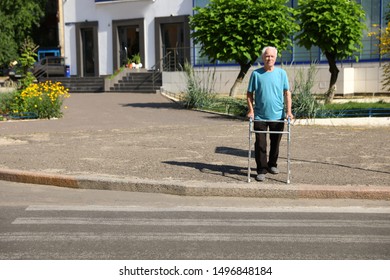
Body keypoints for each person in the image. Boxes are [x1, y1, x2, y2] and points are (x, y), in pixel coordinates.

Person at [246, 46, 294, 182]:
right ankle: (261, 169)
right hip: (260, 116)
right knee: (260, 144)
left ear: (276, 58)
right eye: (267, 56)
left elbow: (287, 93)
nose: (269, 58)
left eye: (272, 56)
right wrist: (251, 110)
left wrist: (289, 112)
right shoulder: (256, 74)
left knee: (275, 143)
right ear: (263, 58)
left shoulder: (281, 74)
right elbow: (249, 94)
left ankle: (272, 164)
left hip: (278, 115)